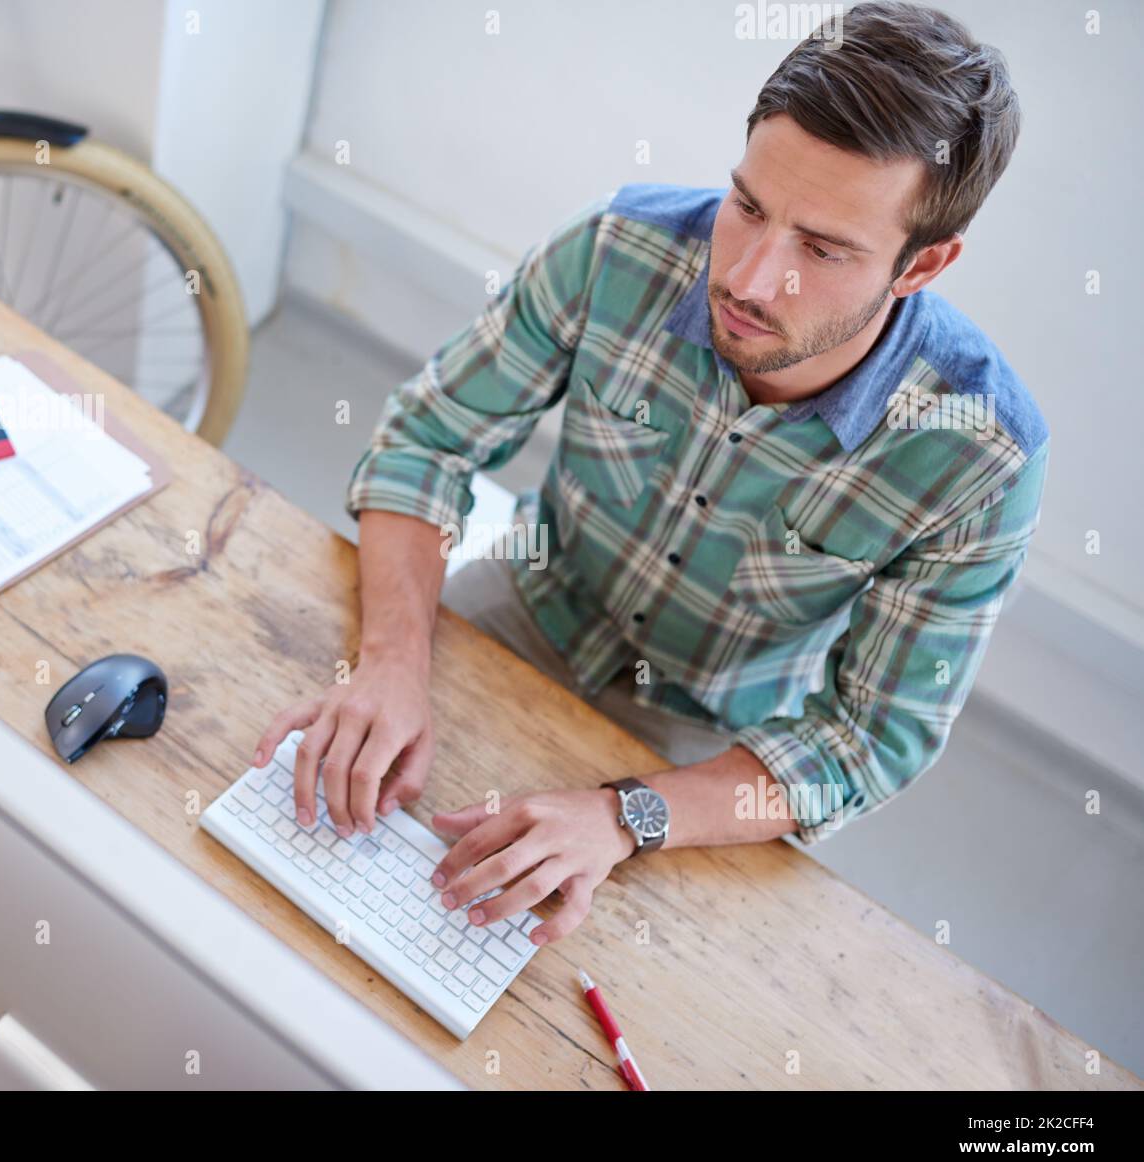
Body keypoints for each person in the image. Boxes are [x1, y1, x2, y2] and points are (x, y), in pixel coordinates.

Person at [253, 1, 1047, 947]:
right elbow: (430, 439)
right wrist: (389, 661)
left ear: (924, 265)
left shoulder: (979, 456)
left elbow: (868, 739)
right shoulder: (614, 249)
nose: (750, 277)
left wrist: (628, 816)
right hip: (525, 605)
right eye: (747, 205)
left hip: (706, 736)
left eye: (824, 249)